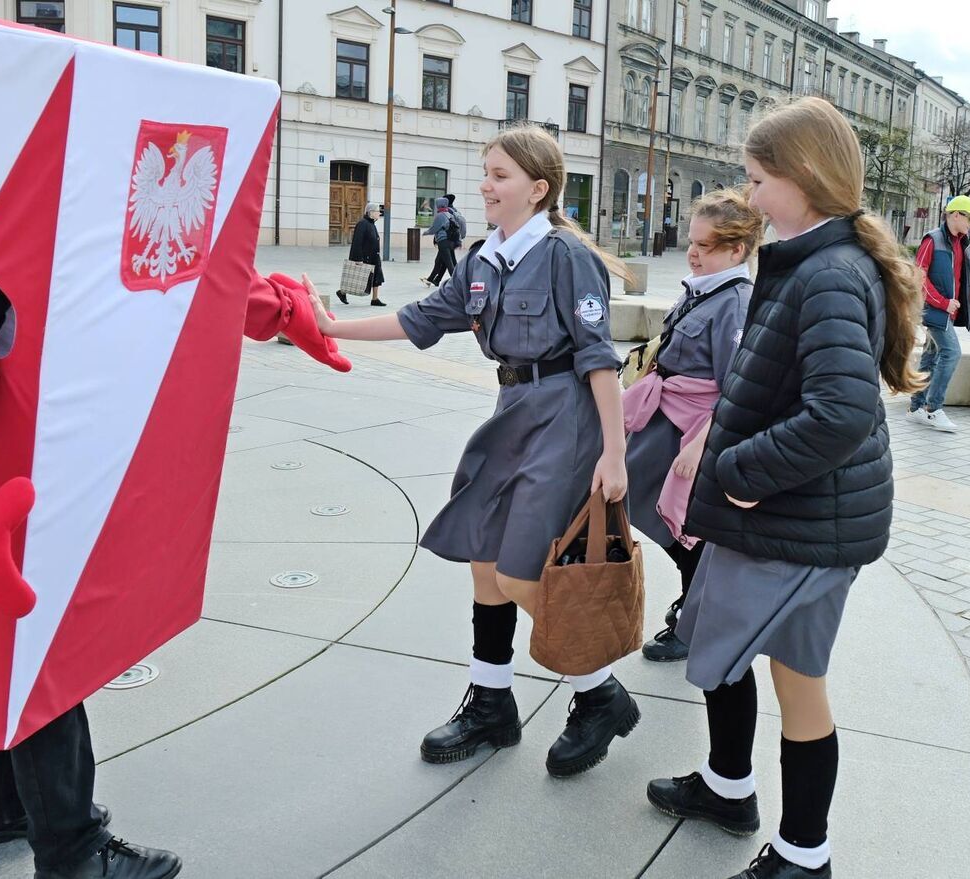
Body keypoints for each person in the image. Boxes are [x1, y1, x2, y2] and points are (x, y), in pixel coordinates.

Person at [0, 272, 347, 879]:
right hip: (19, 453)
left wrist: (277, 307)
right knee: (42, 650)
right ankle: (74, 852)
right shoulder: (20, 215)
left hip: (50, 442)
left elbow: (180, 259)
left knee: (15, 641)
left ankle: (0, 804)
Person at [303, 123, 641, 778]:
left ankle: (597, 692)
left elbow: (600, 361)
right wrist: (330, 324)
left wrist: (615, 451)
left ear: (539, 188)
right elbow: (421, 318)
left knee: (519, 572)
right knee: (485, 560)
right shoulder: (483, 257)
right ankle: (492, 703)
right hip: (513, 414)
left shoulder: (568, 257)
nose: (485, 184)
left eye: (500, 175)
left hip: (565, 418)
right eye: (485, 171)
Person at [644, 97, 923, 879]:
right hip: (804, 519)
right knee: (752, 664)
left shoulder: (830, 272)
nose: (752, 195)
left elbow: (838, 412)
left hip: (797, 520)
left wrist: (736, 473)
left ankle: (803, 853)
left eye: (759, 179)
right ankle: (731, 788)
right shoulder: (823, 259)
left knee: (770, 673)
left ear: (803, 178)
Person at [624, 189, 762, 663]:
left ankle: (696, 621)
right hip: (667, 423)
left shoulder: (736, 303)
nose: (693, 252)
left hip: (691, 432)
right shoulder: (705, 290)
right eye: (692, 241)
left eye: (706, 245)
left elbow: (735, 388)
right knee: (656, 513)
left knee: (688, 528)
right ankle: (694, 604)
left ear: (736, 250)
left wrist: (700, 446)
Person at [906, 194, 970, 432]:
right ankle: (933, 409)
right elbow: (919, 277)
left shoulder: (961, 242)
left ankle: (916, 408)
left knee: (931, 357)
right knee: (951, 352)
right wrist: (942, 303)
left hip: (945, 310)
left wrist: (968, 296)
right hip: (934, 310)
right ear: (956, 215)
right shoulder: (933, 239)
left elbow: (956, 277)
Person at [339, 202, 386, 306]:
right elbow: (357, 242)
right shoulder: (362, 224)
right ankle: (342, 292)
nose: (379, 213)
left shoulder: (372, 224)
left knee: (377, 277)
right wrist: (358, 258)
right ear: (371, 212)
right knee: (356, 278)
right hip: (365, 257)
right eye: (378, 211)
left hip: (374, 256)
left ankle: (375, 299)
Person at [422, 196, 459, 287]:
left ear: (439, 205)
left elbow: (434, 229)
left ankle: (457, 284)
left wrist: (425, 233)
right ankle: (432, 280)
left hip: (443, 242)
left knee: (449, 264)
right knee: (439, 261)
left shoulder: (440, 216)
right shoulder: (449, 214)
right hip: (450, 241)